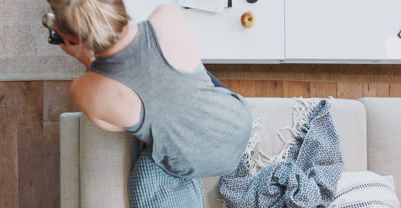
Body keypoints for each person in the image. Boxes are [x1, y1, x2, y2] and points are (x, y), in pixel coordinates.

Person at [51, 0, 252, 179]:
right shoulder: (167, 16)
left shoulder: (83, 89)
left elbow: (118, 127)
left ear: (69, 35)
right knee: (195, 74)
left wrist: (86, 58)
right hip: (238, 122)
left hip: (192, 165)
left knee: (147, 122)